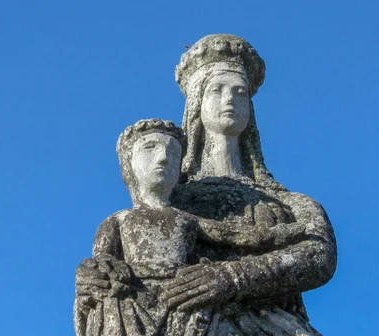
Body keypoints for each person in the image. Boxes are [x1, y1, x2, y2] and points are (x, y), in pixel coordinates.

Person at [161, 34, 337, 334]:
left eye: (240, 92)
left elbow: (319, 255)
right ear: (196, 104)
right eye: (217, 90)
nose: (230, 99)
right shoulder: (173, 200)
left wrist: (232, 278)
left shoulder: (292, 203)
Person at [74, 118, 307, 336]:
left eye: (172, 152)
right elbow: (102, 260)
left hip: (181, 297)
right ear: (129, 162)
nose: (163, 158)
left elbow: (234, 235)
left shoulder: (186, 218)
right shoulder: (119, 219)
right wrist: (101, 270)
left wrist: (279, 234)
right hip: (132, 299)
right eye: (149, 148)